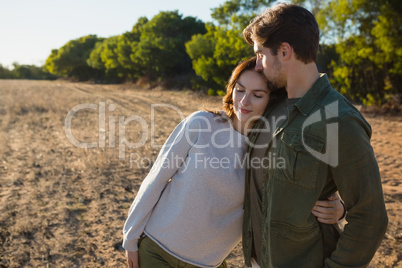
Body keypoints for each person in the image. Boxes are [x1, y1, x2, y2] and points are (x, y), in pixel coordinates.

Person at [122, 57, 345, 268]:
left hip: (209, 262)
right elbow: (157, 178)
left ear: (272, 101)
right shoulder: (201, 124)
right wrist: (131, 238)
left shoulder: (273, 150)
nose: (244, 101)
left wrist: (339, 209)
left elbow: (299, 193)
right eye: (240, 90)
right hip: (156, 249)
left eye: (257, 95)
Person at [241, 3, 388, 268]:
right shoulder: (271, 102)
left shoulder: (339, 119)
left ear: (284, 51)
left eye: (260, 54)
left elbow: (369, 217)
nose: (258, 66)